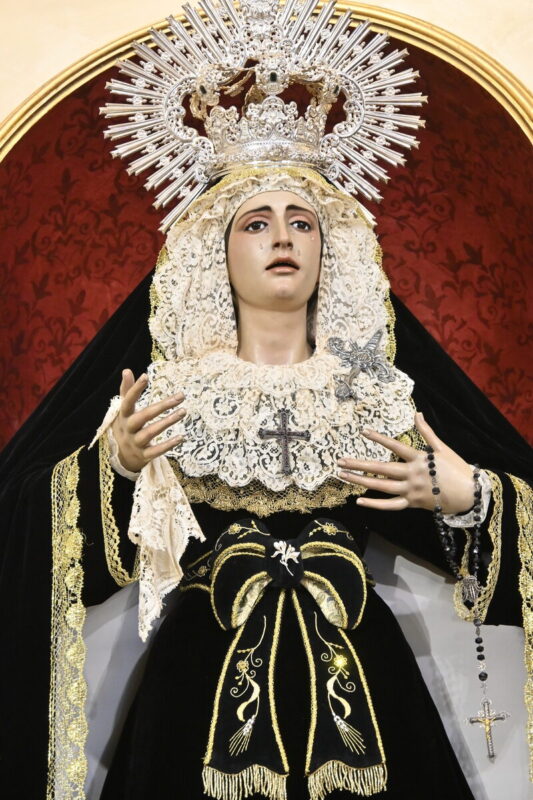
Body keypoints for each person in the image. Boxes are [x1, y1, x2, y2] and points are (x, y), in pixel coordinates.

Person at [1, 3, 531, 799]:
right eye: (255, 223)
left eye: (302, 223)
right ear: (216, 252)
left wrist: (468, 499)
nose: (282, 237)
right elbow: (27, 532)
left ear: (330, 247)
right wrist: (116, 468)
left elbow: (491, 521)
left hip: (365, 671)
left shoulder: (375, 396)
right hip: (196, 681)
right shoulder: (167, 398)